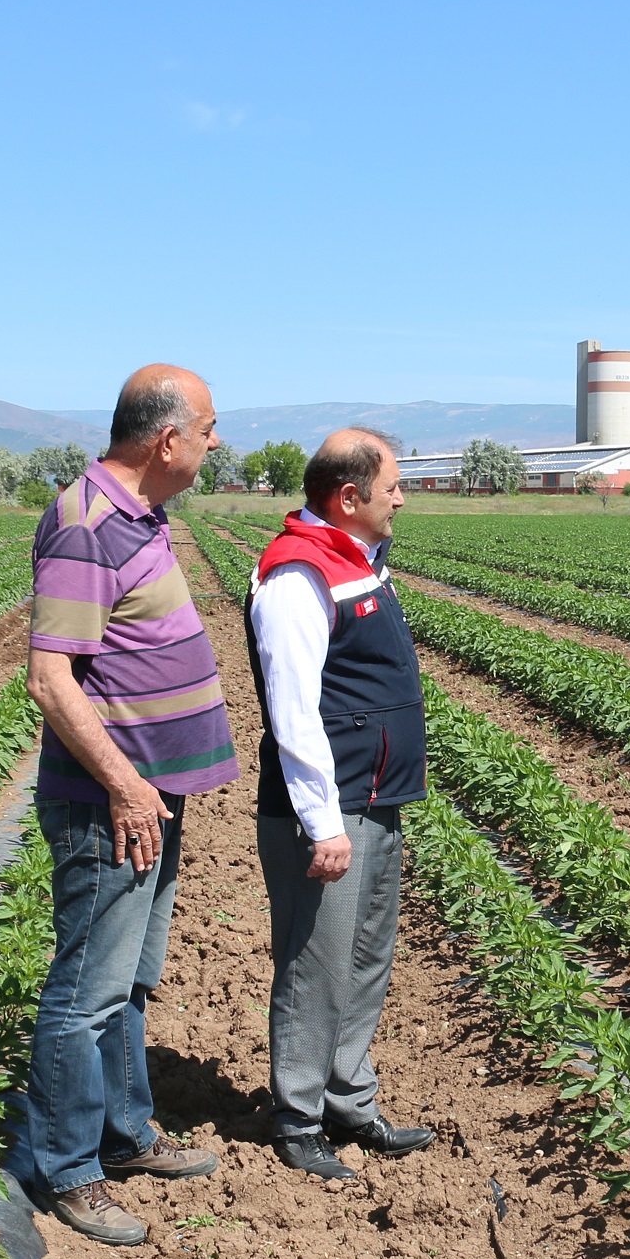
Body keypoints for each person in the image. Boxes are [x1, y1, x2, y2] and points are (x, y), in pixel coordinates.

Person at [15, 364, 238, 1247]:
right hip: (112, 802)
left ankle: (126, 1133)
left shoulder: (140, 516)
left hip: (150, 796)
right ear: (167, 439)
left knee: (128, 982)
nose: (218, 442)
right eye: (210, 427)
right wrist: (126, 784)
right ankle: (69, 1171)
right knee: (85, 990)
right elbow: (50, 677)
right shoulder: (85, 523)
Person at [241, 429, 439, 1179]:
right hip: (330, 808)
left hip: (376, 794)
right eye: (392, 484)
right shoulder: (298, 574)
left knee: (363, 958)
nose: (401, 496)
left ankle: (350, 1100)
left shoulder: (353, 560)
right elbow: (292, 710)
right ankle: (297, 1119)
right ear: (348, 497)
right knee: (317, 964)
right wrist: (322, 822)